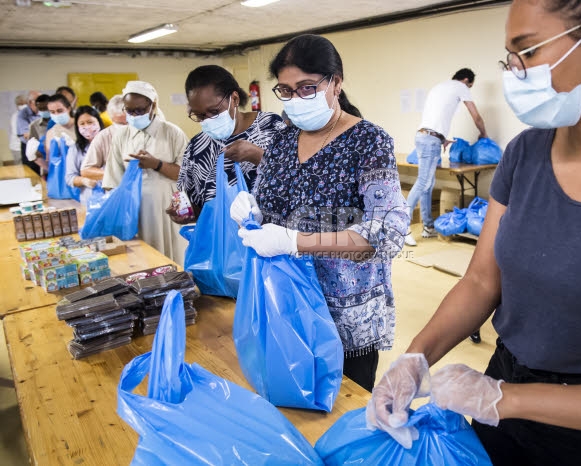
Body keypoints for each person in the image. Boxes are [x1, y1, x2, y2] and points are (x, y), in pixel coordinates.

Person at [367, 1, 581, 465]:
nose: (514, 74)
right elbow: (483, 282)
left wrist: (508, 401)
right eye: (509, 58)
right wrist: (415, 358)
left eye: (528, 52)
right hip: (505, 389)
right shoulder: (524, 154)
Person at [229, 34, 410, 392]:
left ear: (336, 83)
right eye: (285, 90)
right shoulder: (282, 140)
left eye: (307, 87)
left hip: (343, 316)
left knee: (340, 412)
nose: (295, 100)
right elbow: (273, 201)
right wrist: (252, 208)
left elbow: (389, 232)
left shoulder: (369, 142)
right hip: (284, 304)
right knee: (288, 402)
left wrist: (296, 240)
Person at [167, 65, 285, 224]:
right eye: (200, 116)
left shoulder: (271, 127)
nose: (208, 120)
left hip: (270, 241)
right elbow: (195, 205)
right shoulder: (196, 148)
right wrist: (183, 213)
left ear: (234, 99)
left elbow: (300, 180)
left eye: (214, 112)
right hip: (221, 242)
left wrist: (259, 157)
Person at [103, 80, 188, 264]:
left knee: (171, 256)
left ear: (153, 106)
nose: (134, 115)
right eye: (129, 110)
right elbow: (113, 179)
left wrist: (156, 164)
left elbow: (185, 175)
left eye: (140, 110)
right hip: (134, 210)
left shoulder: (172, 133)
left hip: (166, 208)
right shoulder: (122, 135)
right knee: (140, 260)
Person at [404, 68, 488, 247]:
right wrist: (484, 134)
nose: (469, 90)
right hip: (429, 140)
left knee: (428, 184)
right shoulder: (461, 86)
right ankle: (401, 227)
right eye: (470, 86)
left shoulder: (440, 87)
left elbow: (434, 119)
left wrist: (442, 138)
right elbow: (477, 117)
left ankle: (428, 227)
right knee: (423, 182)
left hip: (425, 137)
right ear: (466, 80)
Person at [81, 94, 127, 181]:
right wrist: (113, 174)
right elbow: (86, 170)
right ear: (111, 119)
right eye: (120, 124)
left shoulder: (147, 132)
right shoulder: (104, 136)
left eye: (128, 122)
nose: (126, 127)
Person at [65, 106, 103, 205]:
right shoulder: (75, 149)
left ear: (98, 122)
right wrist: (84, 180)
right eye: (82, 124)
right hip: (90, 199)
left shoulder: (112, 142)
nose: (87, 127)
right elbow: (69, 178)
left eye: (90, 122)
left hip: (114, 197)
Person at [41, 94, 76, 173]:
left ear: (69, 109)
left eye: (60, 111)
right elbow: (50, 162)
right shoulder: (51, 133)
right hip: (62, 175)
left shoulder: (81, 125)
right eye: (52, 112)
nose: (56, 114)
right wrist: (35, 158)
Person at [17, 90, 40, 170]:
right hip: (29, 146)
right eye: (38, 100)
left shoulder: (43, 112)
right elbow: (27, 135)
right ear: (31, 102)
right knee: (31, 171)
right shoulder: (23, 114)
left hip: (42, 146)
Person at [9, 95, 26, 164]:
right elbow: (18, 133)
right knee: (20, 168)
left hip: (24, 146)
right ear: (17, 105)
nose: (23, 106)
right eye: (20, 104)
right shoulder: (16, 116)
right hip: (17, 147)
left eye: (24, 103)